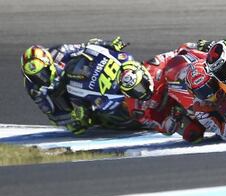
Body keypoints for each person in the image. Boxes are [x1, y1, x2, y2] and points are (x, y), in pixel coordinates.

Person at [21, 37, 153, 135]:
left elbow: (86, 46)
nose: (41, 78)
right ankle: (122, 119)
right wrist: (73, 119)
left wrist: (108, 44)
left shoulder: (59, 51)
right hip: (68, 99)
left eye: (43, 73)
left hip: (82, 77)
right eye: (35, 76)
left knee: (121, 67)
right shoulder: (34, 89)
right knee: (84, 122)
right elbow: (53, 114)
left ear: (48, 62)